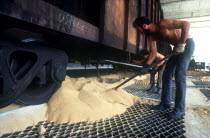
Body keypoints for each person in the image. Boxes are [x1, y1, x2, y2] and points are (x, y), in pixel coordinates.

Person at [133, 16, 195, 119]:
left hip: (187, 43)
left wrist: (182, 44)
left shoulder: (162, 24)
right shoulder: (151, 37)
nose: (139, 32)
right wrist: (146, 66)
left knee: (179, 75)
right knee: (166, 75)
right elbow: (153, 53)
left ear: (144, 26)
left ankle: (180, 110)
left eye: (139, 30)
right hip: (177, 48)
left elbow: (186, 24)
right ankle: (166, 103)